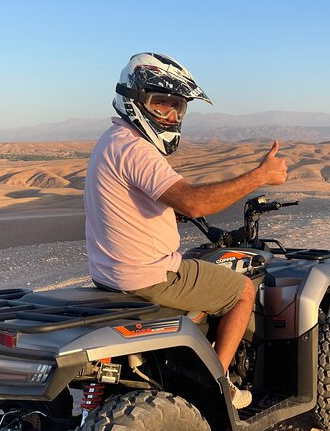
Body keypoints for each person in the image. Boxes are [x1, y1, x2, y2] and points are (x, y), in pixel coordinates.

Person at [84, 52, 288, 409]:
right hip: (148, 275)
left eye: (178, 107)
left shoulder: (111, 141)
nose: (172, 115)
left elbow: (133, 202)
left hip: (109, 274)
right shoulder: (136, 150)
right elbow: (194, 202)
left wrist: (165, 212)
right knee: (240, 289)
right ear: (134, 99)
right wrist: (260, 176)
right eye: (161, 103)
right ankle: (218, 383)